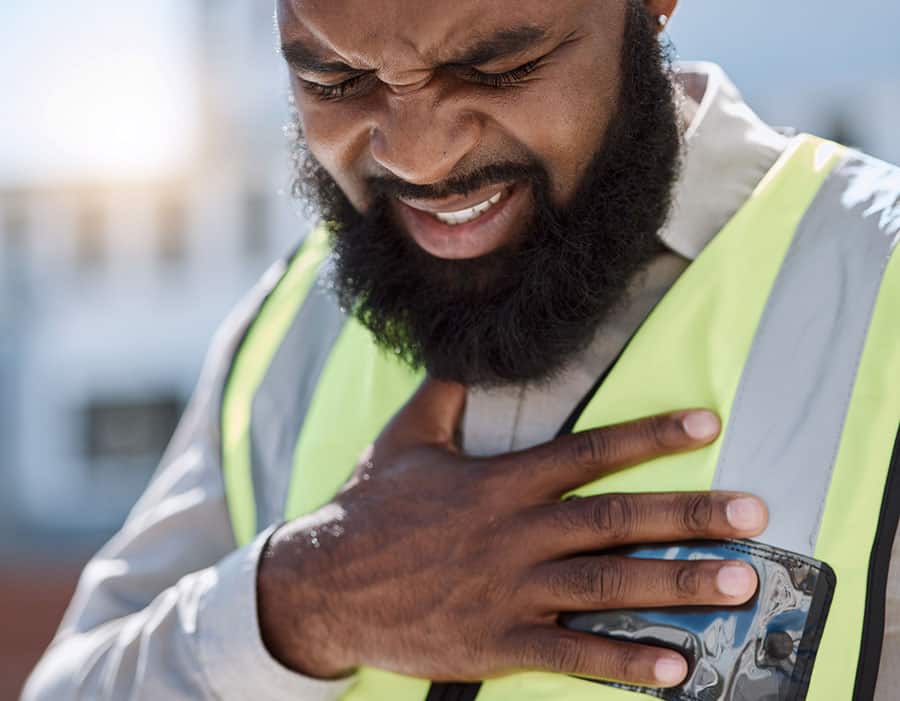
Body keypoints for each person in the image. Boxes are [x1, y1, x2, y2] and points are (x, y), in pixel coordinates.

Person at [24, 0, 900, 699]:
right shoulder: (289, 322)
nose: (420, 157)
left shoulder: (878, 287)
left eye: (499, 67)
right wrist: (298, 605)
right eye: (335, 79)